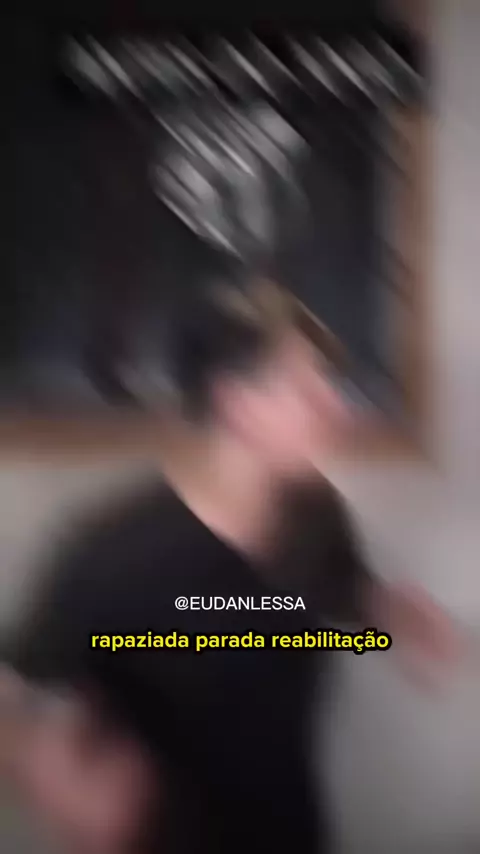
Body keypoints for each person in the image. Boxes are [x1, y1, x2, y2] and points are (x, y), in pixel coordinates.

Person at [2, 274, 459, 854]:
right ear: (237, 404)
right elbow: (15, 689)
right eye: (307, 387)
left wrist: (396, 615)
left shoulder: (316, 516)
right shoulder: (118, 553)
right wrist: (47, 773)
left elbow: (335, 596)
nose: (336, 406)